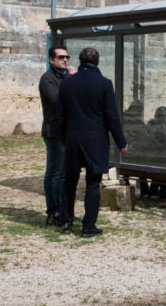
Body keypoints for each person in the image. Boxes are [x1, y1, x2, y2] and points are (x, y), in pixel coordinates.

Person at [58, 47, 129, 238]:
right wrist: (121, 142)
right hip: (95, 140)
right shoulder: (104, 84)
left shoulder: (67, 84)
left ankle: (66, 221)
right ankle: (88, 225)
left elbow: (61, 116)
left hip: (73, 138)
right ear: (97, 62)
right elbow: (111, 116)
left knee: (70, 181)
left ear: (80, 61)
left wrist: (64, 138)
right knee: (92, 182)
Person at [38, 46, 74, 227]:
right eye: (61, 57)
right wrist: (72, 80)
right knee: (55, 173)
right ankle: (54, 210)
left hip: (68, 131)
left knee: (64, 173)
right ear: (52, 60)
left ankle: (63, 208)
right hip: (55, 132)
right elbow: (58, 100)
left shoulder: (65, 77)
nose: (65, 60)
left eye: (66, 57)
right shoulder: (48, 79)